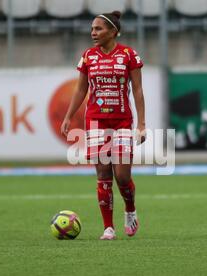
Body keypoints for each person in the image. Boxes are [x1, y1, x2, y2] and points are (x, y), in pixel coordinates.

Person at [60, 10, 146, 240]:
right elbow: (81, 89)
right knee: (103, 172)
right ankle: (108, 227)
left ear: (113, 31)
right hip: (96, 121)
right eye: (92, 29)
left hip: (122, 122)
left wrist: (142, 124)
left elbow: (137, 90)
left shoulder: (129, 55)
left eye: (98, 29)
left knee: (123, 175)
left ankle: (130, 210)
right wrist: (69, 116)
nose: (93, 33)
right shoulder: (88, 56)